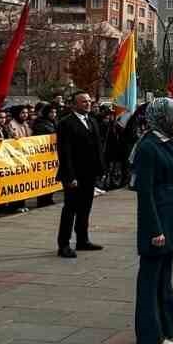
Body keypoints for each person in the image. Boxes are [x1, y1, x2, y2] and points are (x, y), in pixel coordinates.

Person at [131, 96, 173, 344]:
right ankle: (149, 335)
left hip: (171, 214)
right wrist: (154, 229)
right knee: (150, 279)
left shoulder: (168, 142)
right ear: (164, 118)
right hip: (158, 218)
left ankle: (168, 327)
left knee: (165, 278)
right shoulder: (148, 146)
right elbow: (144, 193)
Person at [56, 90, 104, 258]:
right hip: (74, 175)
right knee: (70, 209)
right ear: (74, 104)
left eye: (89, 101)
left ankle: (82, 240)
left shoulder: (92, 121)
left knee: (85, 208)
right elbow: (65, 152)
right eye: (84, 101)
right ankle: (64, 244)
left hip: (89, 174)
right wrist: (70, 176)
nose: (88, 103)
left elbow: (97, 147)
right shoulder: (66, 123)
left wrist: (100, 170)